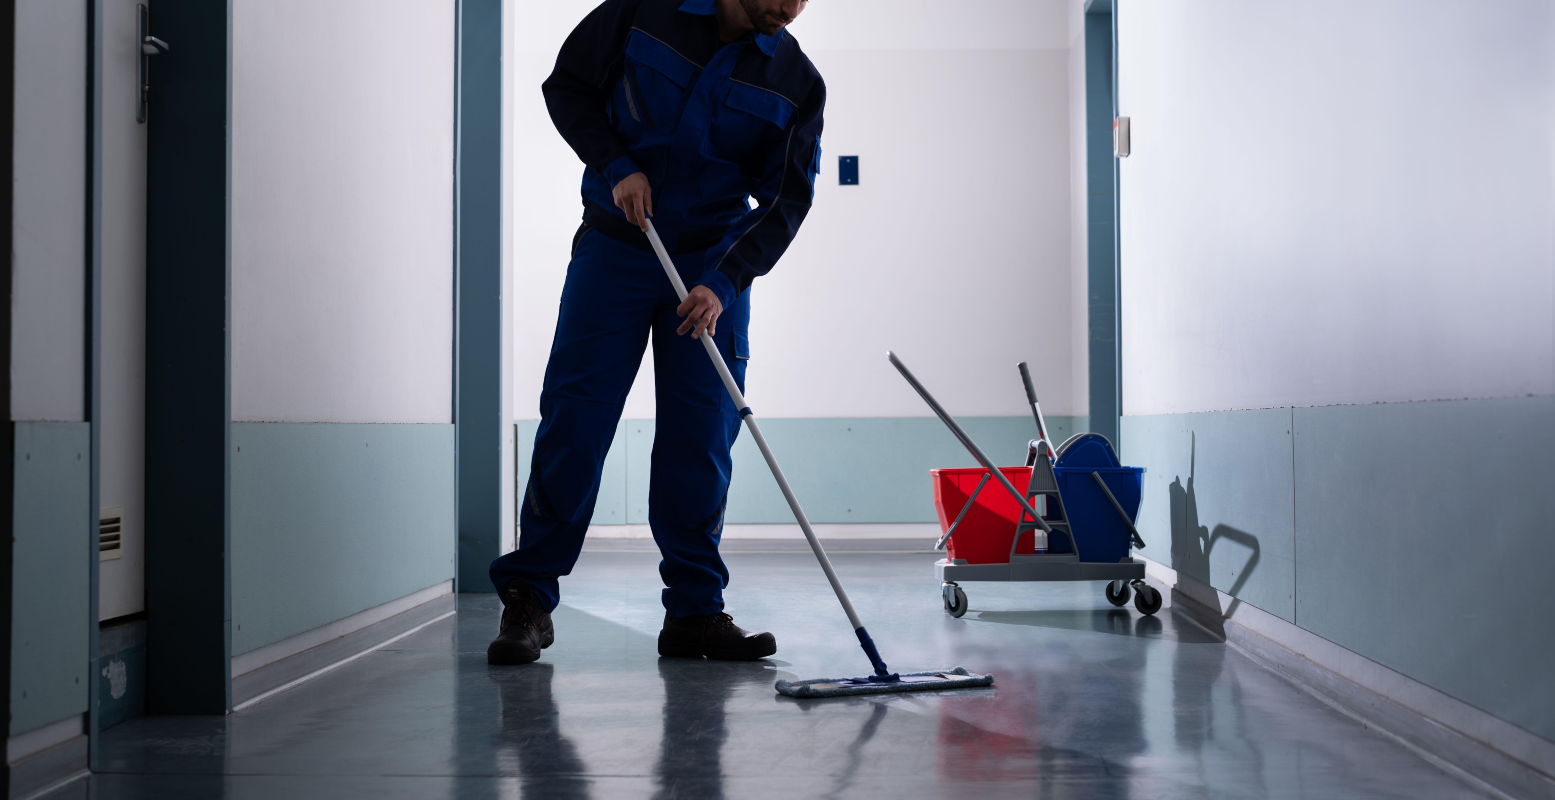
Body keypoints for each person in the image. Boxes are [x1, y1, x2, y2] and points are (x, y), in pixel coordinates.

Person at [487, 0, 822, 666]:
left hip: (709, 269)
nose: (791, 7)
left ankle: (694, 614)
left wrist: (725, 283)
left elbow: (787, 201)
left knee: (700, 440)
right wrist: (614, 164)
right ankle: (529, 600)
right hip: (618, 248)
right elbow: (569, 88)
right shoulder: (642, 12)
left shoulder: (795, 82)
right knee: (574, 423)